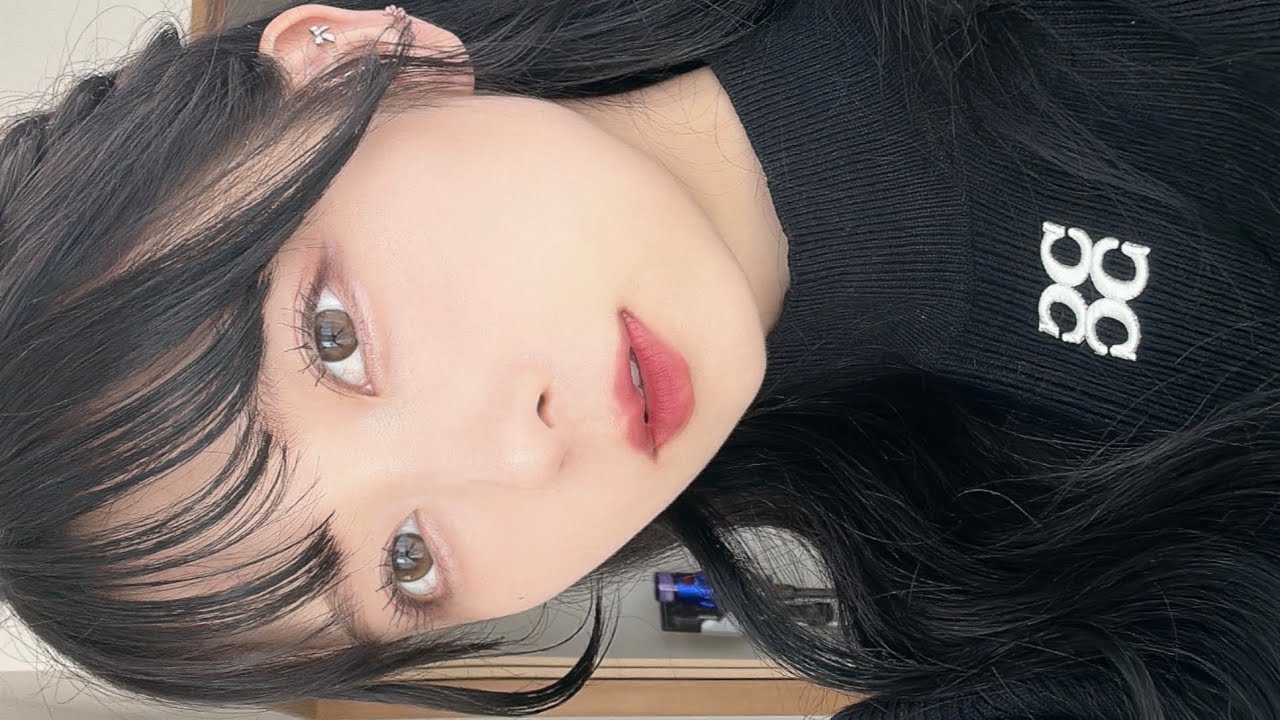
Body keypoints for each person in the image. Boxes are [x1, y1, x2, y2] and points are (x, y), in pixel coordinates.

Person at [1, 0, 1276, 717]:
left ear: (354, 61)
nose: (517, 458)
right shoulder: (978, 583)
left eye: (332, 341)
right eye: (407, 560)